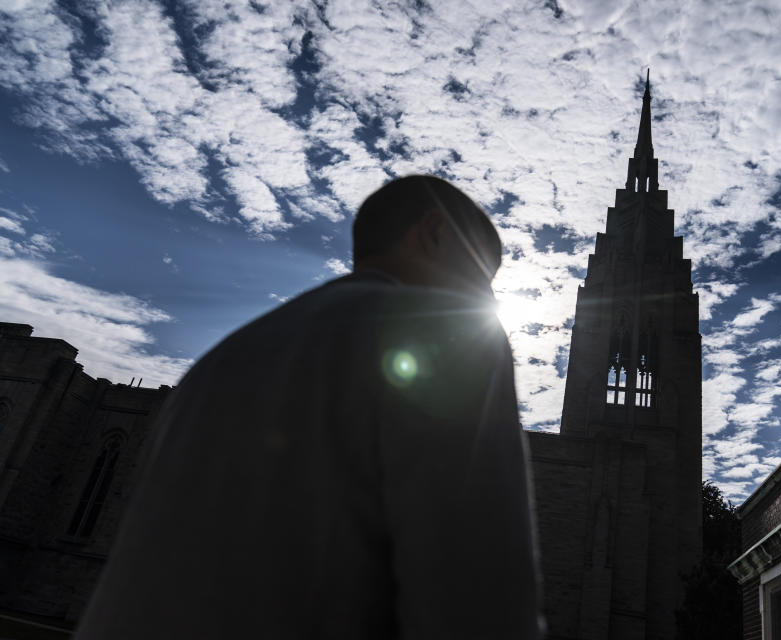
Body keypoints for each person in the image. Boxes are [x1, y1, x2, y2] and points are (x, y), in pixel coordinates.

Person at [75, 176, 544, 639]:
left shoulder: (220, 359)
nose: (490, 298)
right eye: (485, 274)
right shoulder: (447, 336)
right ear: (435, 233)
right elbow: (479, 599)